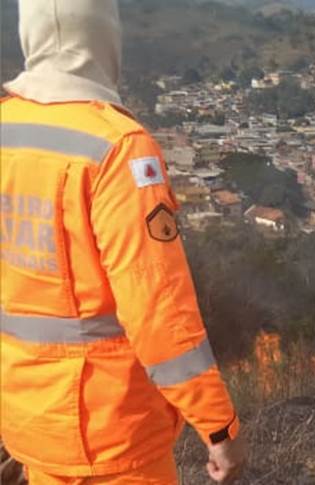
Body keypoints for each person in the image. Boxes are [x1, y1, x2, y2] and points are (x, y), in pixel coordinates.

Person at [0, 0, 248, 483]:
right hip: (112, 434)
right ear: (103, 36)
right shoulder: (117, 146)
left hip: (27, 421)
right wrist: (218, 426)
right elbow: (157, 306)